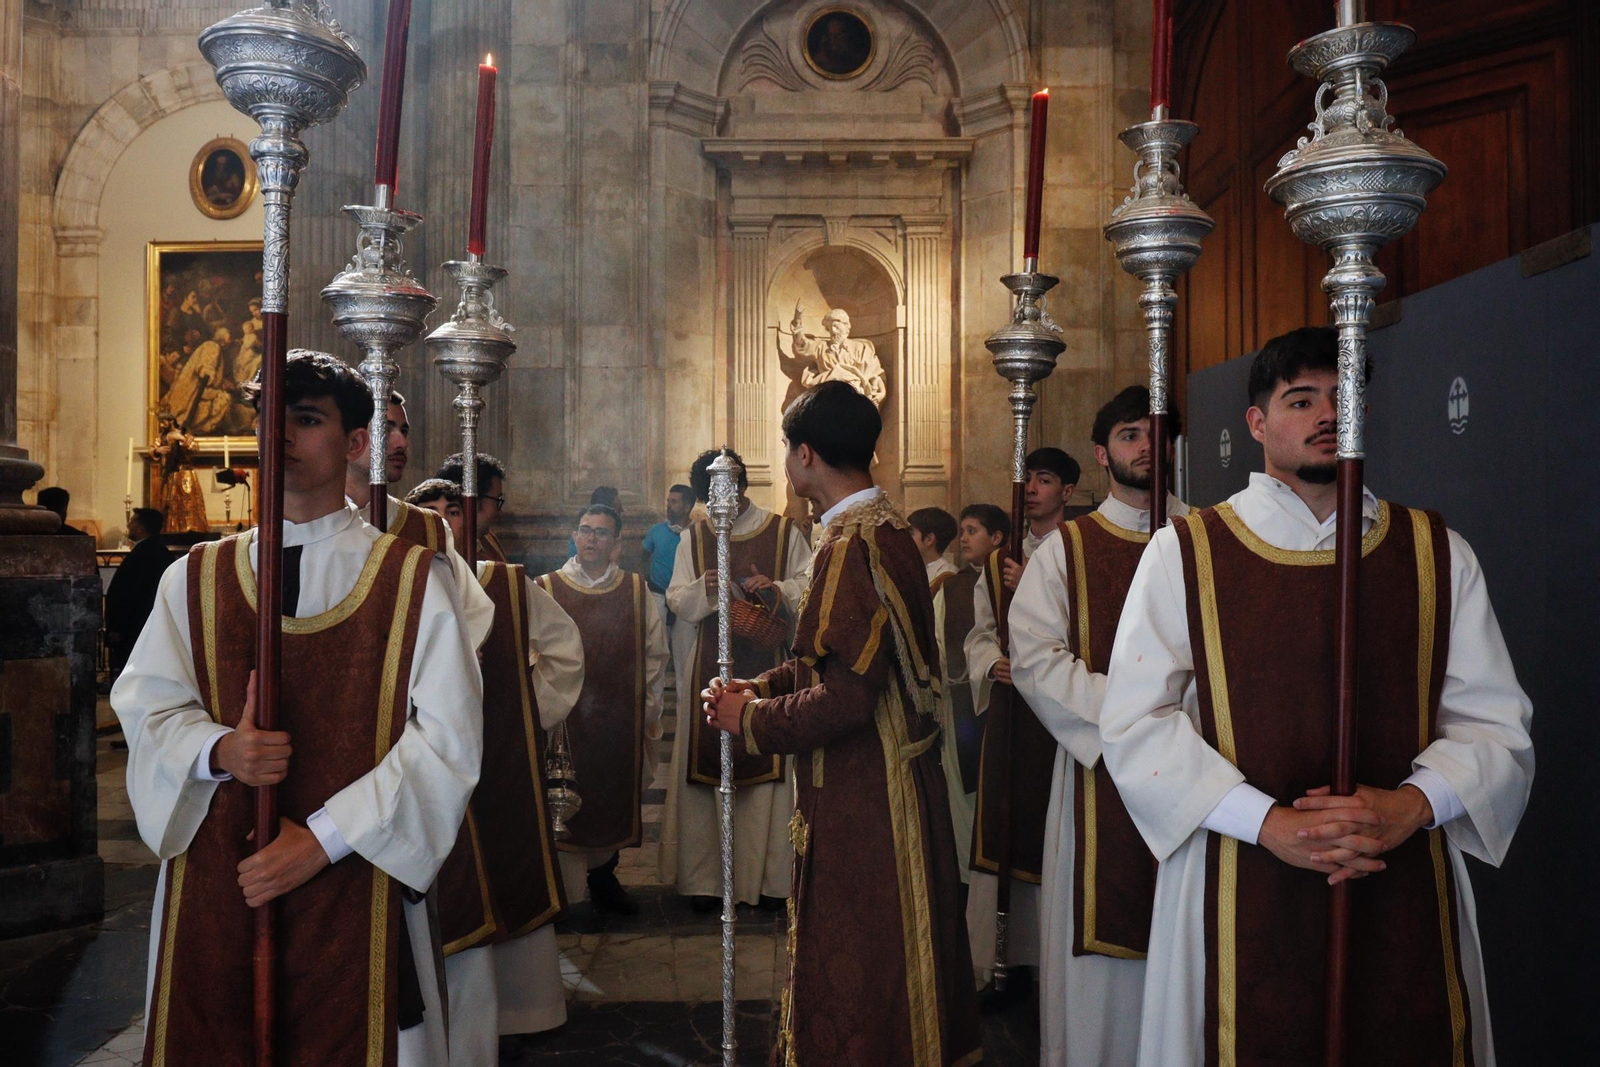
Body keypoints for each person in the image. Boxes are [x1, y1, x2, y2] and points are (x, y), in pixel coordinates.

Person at [1101, 327, 1534, 1066]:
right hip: (1237, 869)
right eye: (1301, 399)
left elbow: (1496, 724)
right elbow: (1136, 722)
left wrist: (1411, 805)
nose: (1327, 414)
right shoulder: (1188, 551)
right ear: (1258, 424)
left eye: (1345, 397)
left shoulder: (1434, 552)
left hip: (1398, 870)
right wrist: (1265, 821)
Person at [110, 350, 484, 1066]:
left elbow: (446, 740)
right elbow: (147, 703)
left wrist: (320, 840)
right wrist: (220, 749)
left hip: (356, 875)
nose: (279, 435)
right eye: (269, 417)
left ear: (354, 444)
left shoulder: (411, 580)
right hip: (220, 878)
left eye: (306, 419)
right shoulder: (195, 576)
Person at [704, 381, 980, 1066]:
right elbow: (832, 660)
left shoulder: (849, 543)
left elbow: (848, 699)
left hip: (868, 797)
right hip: (894, 786)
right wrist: (761, 686)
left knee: (862, 962)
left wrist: (753, 720)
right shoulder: (885, 529)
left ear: (805, 453)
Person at [1008, 386, 1187, 1064]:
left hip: (1200, 767)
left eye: (1157, 433)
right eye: (1130, 433)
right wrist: (1134, 716)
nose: (1146, 445)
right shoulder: (1066, 550)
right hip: (1099, 776)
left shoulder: (1211, 536)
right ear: (1102, 452)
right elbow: (1034, 657)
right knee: (1103, 974)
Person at [406, 479, 586, 1060]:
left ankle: (527, 1007)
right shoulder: (397, 585)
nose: (442, 523)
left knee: (509, 871)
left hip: (500, 760)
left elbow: (564, 651)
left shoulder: (507, 585)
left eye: (451, 512)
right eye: (427, 513)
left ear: (470, 520)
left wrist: (525, 711)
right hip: (423, 769)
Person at [661, 450, 813, 913]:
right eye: (710, 495)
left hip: (768, 662)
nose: (718, 501)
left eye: (727, 489)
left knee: (766, 772)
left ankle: (766, 882)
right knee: (708, 769)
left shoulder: (783, 531)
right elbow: (675, 596)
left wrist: (778, 589)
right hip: (707, 665)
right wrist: (702, 590)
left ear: (743, 486)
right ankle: (707, 882)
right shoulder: (695, 535)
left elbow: (808, 584)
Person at [962, 445, 1081, 1008]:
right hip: (1012, 712)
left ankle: (1055, 967)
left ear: (1069, 492)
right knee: (1005, 828)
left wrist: (1039, 580)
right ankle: (1001, 959)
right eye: (1027, 479)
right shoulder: (993, 563)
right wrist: (991, 662)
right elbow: (980, 633)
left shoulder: (1086, 554)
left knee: (1056, 828)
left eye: (1046, 479)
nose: (1032, 488)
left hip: (1064, 718)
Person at [537, 504, 669, 915]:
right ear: (574, 537)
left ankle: (604, 878)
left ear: (616, 544)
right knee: (559, 798)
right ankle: (559, 889)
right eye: (584, 530)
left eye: (600, 532)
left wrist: (643, 710)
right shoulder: (546, 587)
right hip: (564, 721)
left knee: (610, 797)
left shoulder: (635, 590)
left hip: (616, 719)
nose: (590, 538)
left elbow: (654, 655)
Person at [340, 378, 493, 650]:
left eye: (404, 431)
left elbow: (473, 612)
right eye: (386, 428)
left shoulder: (427, 528)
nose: (402, 442)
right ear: (352, 438)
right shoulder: (312, 522)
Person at [933, 504, 1009, 889]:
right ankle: (966, 877)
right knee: (963, 795)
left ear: (997, 538)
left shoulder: (1017, 577)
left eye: (972, 530)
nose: (962, 538)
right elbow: (936, 644)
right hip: (960, 703)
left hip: (1009, 703)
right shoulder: (952, 585)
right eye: (961, 530)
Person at [104, 508, 176, 672]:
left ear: (141, 529)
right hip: (150, 627)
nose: (129, 524)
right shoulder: (160, 552)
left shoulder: (141, 555)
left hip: (134, 630)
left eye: (132, 522)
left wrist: (117, 628)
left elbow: (127, 595)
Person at [437, 451, 510, 562]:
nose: (500, 512)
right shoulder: (440, 552)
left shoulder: (487, 539)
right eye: (497, 501)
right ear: (473, 501)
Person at [641, 483, 693, 624]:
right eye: (668, 501)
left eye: (674, 502)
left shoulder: (696, 533)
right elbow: (642, 557)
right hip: (657, 597)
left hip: (685, 600)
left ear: (687, 507)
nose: (668, 506)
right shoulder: (656, 531)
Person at [909, 506, 959, 584]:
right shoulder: (915, 570)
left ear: (929, 539)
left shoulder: (948, 575)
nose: (906, 538)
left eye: (911, 534)